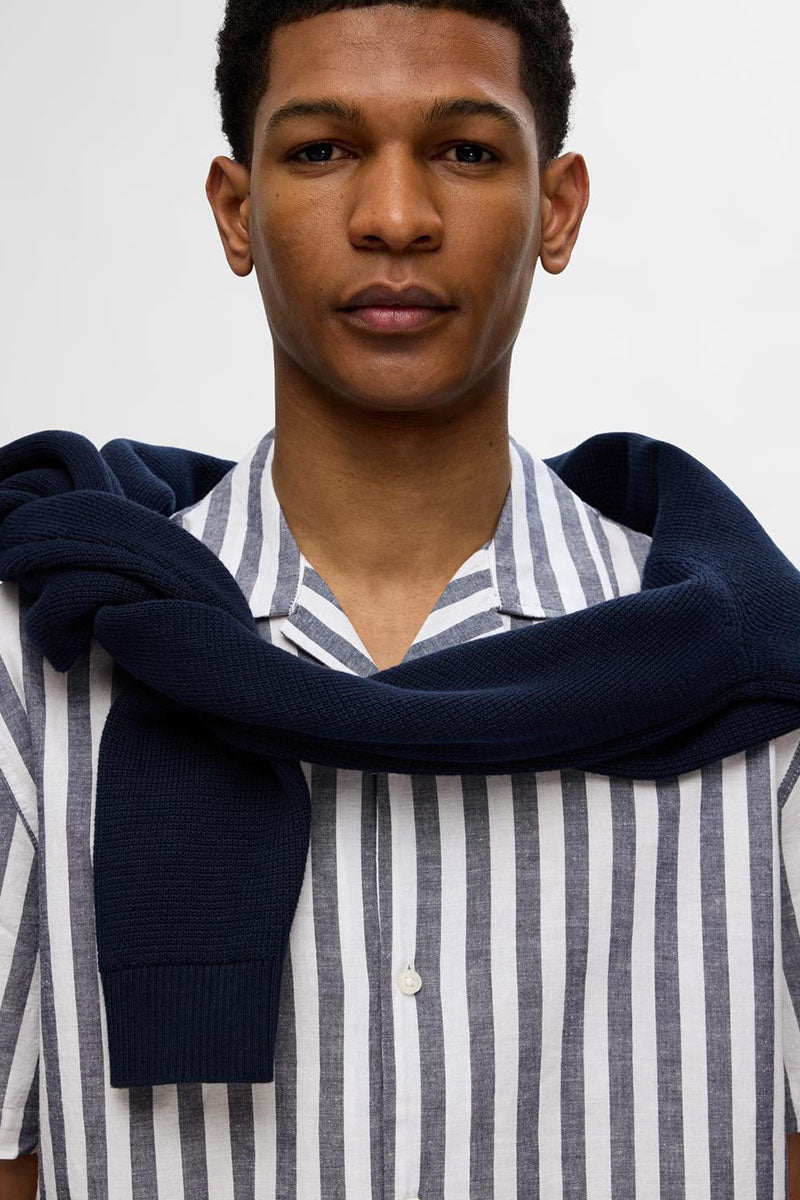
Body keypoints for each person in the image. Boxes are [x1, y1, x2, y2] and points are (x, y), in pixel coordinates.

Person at [1, 1, 799, 1197]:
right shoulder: (38, 671)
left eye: (464, 151)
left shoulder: (758, 700)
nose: (392, 217)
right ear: (235, 210)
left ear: (555, 208)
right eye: (321, 148)